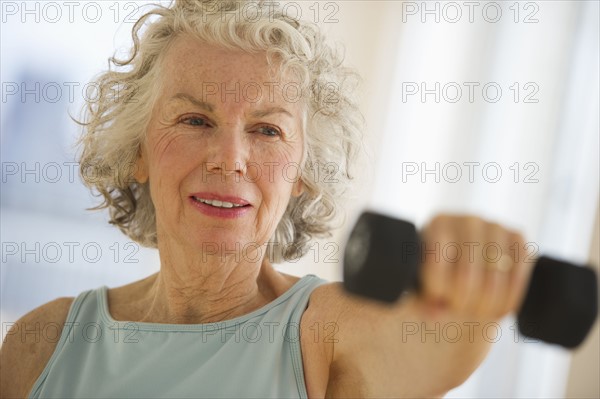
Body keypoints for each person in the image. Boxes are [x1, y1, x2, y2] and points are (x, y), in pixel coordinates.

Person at [0, 1, 534, 398]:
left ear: (302, 172)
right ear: (137, 151)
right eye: (194, 120)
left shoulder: (324, 333)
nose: (229, 158)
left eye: (267, 131)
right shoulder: (38, 345)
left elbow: (429, 346)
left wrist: (467, 285)